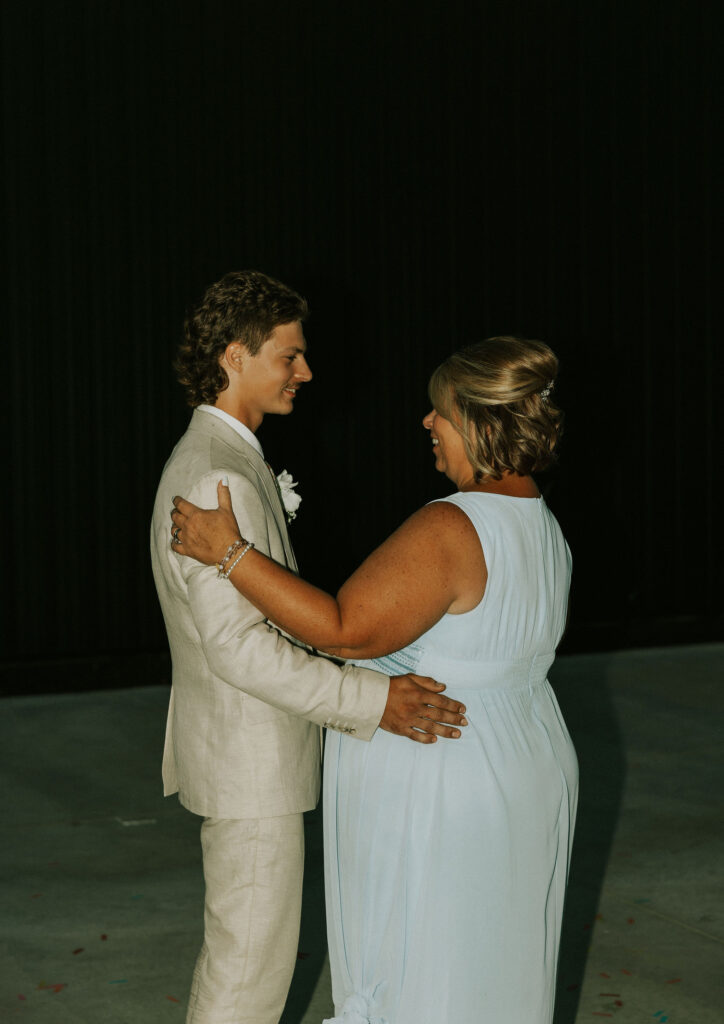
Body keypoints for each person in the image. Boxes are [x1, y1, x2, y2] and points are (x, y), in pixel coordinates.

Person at [170, 334, 578, 1024]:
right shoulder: (545, 526)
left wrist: (230, 552)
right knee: (489, 967)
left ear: (479, 424)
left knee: (426, 967)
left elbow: (343, 629)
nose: (428, 424)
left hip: (446, 777)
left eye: (439, 411)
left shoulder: (453, 526)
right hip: (525, 761)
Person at [150, 270, 467, 1024]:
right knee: (244, 976)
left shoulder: (219, 457)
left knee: (246, 962)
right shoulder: (219, 472)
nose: (307, 372)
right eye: (289, 356)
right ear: (234, 356)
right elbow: (241, 651)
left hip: (246, 755)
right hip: (249, 764)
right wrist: (371, 702)